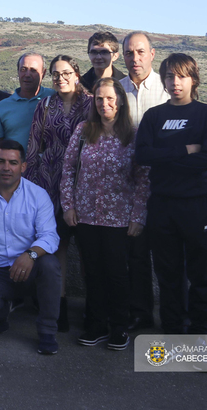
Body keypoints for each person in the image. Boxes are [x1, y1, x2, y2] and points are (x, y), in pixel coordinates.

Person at [61, 78, 149, 351]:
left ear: (120, 100)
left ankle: (119, 328)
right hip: (86, 215)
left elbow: (143, 178)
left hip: (118, 218)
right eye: (99, 99)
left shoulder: (133, 134)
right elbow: (68, 169)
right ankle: (96, 325)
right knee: (94, 272)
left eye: (110, 98)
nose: (104, 104)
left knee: (117, 274)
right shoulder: (84, 130)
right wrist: (69, 206)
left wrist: (138, 216)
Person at [135, 54, 207, 336]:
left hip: (197, 204)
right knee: (167, 272)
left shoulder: (206, 114)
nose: (175, 82)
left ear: (193, 79)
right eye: (169, 76)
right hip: (162, 205)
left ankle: (199, 326)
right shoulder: (154, 116)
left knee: (200, 272)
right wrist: (185, 150)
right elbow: (143, 155)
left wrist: (164, 158)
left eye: (181, 76)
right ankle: (171, 325)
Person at [0, 140, 61, 355]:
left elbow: (50, 237)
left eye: (13, 163)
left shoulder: (38, 195)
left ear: (23, 167)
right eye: (1, 161)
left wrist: (31, 254)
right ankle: (1, 312)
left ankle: (47, 332)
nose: (7, 167)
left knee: (50, 266)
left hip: (28, 269)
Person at [24, 55, 93, 331]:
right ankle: (59, 307)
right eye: (55, 74)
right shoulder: (46, 105)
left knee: (88, 250)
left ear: (76, 74)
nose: (60, 78)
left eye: (66, 73)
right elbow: (33, 145)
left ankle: (93, 308)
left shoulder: (91, 104)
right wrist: (29, 185)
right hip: (49, 184)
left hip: (84, 182)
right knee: (57, 248)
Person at [119, 31, 169, 331]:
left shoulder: (167, 90)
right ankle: (140, 312)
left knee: (167, 256)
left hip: (163, 186)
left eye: (139, 52)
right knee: (134, 255)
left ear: (152, 53)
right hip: (126, 188)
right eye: (128, 53)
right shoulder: (117, 90)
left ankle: (175, 316)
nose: (134, 58)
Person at [0, 52, 55, 150]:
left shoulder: (54, 98)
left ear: (43, 73)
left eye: (33, 70)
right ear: (18, 72)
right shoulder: (4, 106)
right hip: (14, 164)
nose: (27, 74)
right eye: (23, 69)